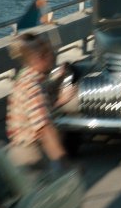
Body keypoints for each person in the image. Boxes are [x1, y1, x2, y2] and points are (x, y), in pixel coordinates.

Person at [6, 33, 74, 171]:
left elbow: (38, 111)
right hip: (31, 157)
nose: (54, 57)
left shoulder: (25, 77)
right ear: (40, 58)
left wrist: (60, 95)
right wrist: (66, 165)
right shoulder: (33, 88)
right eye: (50, 53)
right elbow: (44, 129)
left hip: (25, 152)